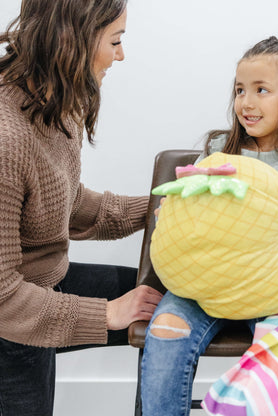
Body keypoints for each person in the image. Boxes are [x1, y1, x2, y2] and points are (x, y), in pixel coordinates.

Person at [140, 36, 278, 415]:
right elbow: (195, 200)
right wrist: (176, 214)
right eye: (240, 90)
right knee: (165, 333)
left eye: (261, 90)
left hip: (276, 284)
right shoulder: (221, 149)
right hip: (207, 283)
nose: (246, 102)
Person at [0, 1, 163, 415]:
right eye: (115, 40)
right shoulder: (6, 138)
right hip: (10, 317)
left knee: (165, 304)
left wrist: (164, 205)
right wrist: (106, 313)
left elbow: (67, 204)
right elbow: (3, 300)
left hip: (42, 284)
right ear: (74, 38)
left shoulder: (54, 99)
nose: (120, 55)